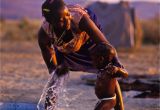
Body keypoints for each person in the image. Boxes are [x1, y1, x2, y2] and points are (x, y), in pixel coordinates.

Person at [38, 0, 128, 110]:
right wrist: (56, 74)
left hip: (89, 45)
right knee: (55, 80)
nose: (68, 19)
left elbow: (105, 45)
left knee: (108, 73)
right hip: (65, 51)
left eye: (68, 14)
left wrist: (116, 63)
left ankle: (120, 108)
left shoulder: (79, 19)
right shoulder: (45, 34)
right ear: (50, 21)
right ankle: (49, 109)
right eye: (62, 19)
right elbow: (52, 67)